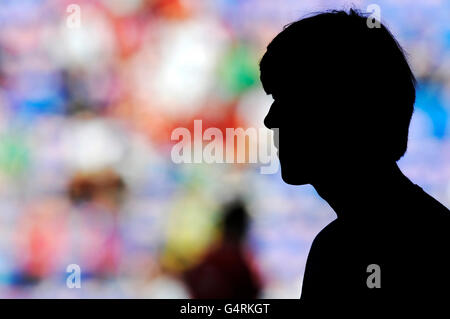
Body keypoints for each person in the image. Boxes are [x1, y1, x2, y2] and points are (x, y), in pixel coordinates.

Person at [259, 9, 450, 305]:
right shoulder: (336, 248)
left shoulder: (421, 251)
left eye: (287, 100)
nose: (270, 120)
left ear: (339, 113)